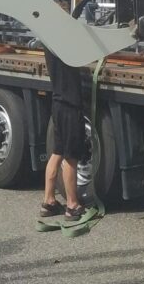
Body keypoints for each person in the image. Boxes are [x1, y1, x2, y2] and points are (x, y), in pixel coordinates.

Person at [40, 46, 88, 222]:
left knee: (57, 153)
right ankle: (72, 205)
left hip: (58, 104)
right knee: (71, 157)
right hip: (70, 107)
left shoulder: (48, 43)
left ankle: (48, 201)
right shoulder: (65, 43)